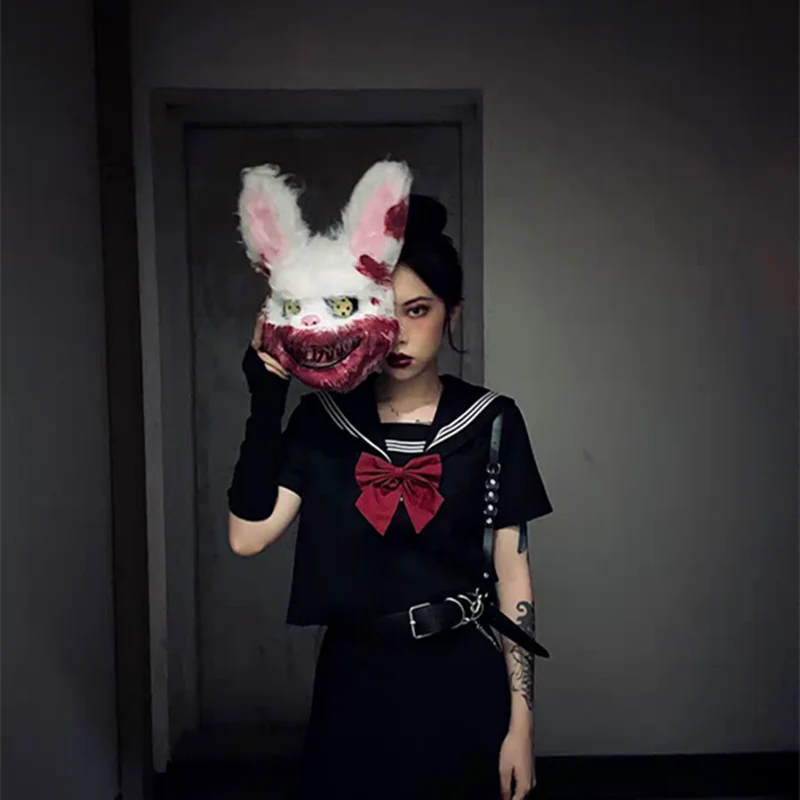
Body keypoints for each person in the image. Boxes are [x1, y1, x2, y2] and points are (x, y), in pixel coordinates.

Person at [227, 195, 553, 800]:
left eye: (419, 309)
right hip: (355, 680)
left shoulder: (493, 422)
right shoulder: (323, 421)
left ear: (452, 314)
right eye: (384, 310)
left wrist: (522, 725)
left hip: (461, 678)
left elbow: (514, 579)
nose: (400, 332)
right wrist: (267, 391)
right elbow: (247, 536)